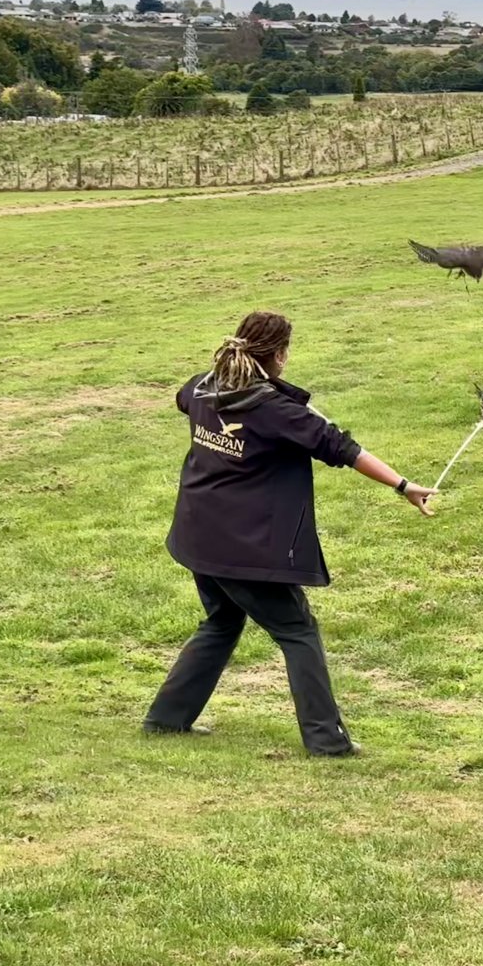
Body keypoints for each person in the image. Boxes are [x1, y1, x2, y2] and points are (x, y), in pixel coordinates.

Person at [144, 311, 436, 756]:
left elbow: (184, 399)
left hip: (198, 534)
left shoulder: (206, 385)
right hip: (239, 546)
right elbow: (342, 448)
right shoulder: (274, 410)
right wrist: (403, 485)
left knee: (222, 621)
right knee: (298, 631)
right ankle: (327, 741)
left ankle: (166, 720)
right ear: (278, 355)